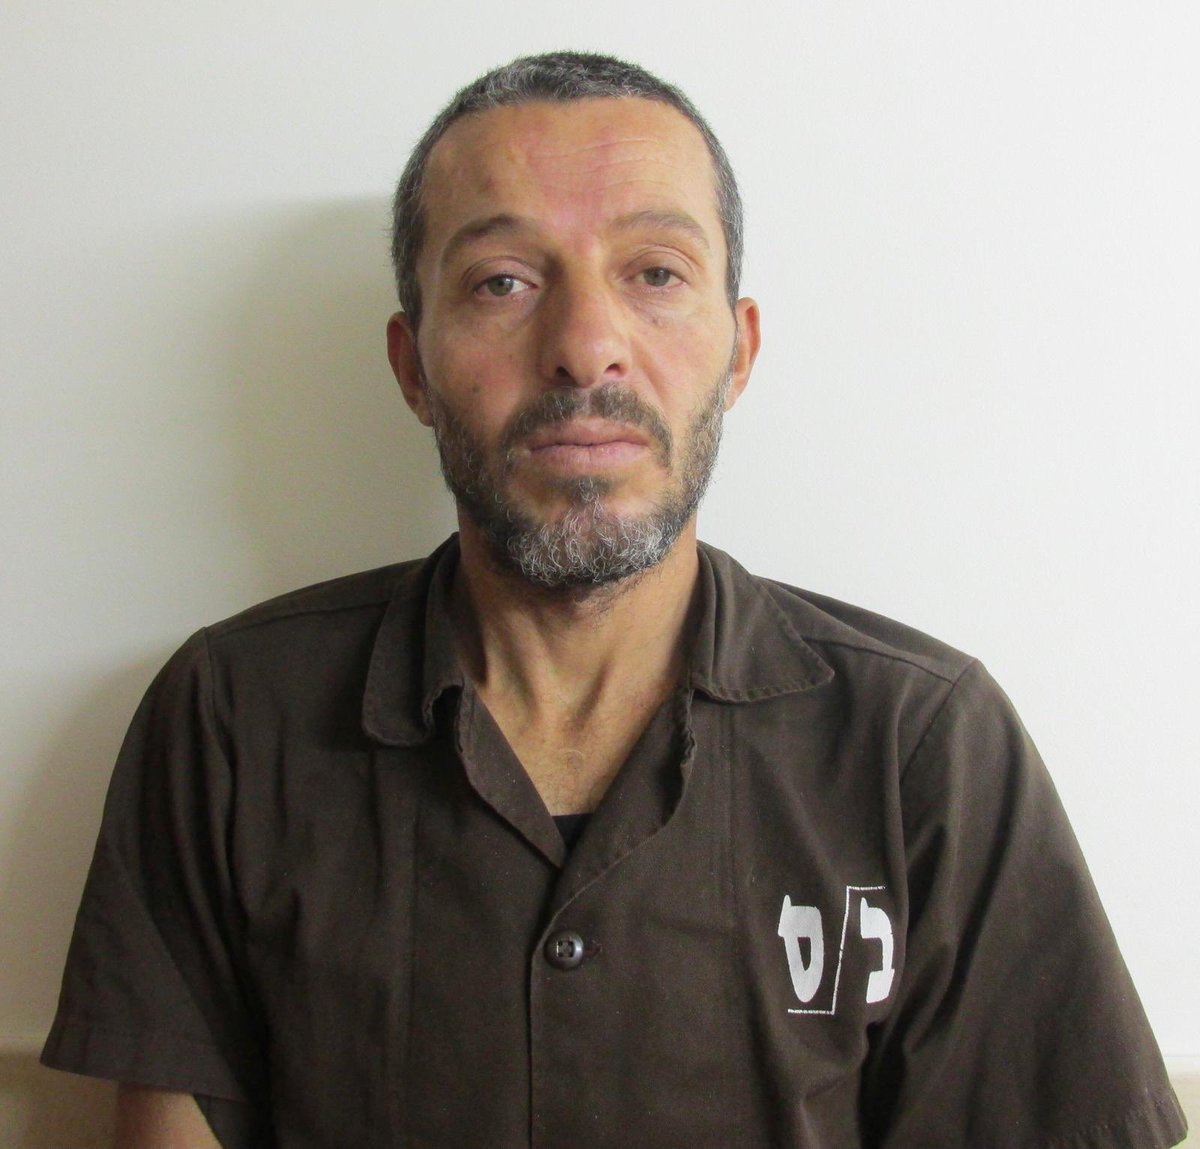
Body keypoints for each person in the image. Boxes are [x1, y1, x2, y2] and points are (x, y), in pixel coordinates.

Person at [42, 51, 1186, 1149]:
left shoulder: (922, 743)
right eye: (502, 281)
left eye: (655, 273)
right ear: (412, 367)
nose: (586, 348)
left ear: (739, 353)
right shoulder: (233, 718)